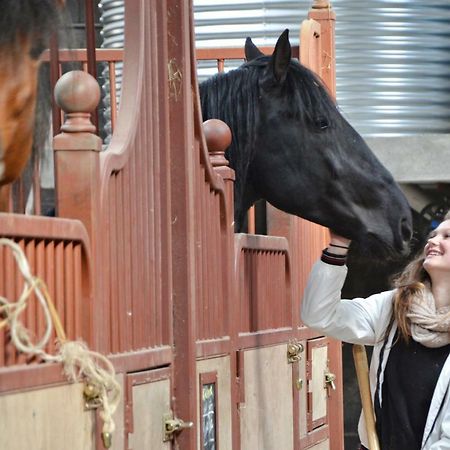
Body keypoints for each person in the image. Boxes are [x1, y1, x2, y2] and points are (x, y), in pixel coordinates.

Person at [301, 214, 450, 450]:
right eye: (433, 235)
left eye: (447, 236)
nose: (433, 241)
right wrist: (337, 247)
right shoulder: (395, 306)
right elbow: (319, 315)